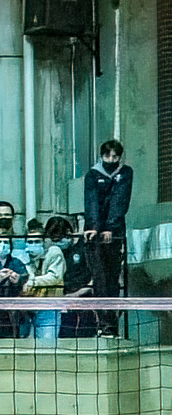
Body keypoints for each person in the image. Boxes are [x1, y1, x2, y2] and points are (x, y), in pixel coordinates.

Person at [83, 139, 132, 337]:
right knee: (99, 279)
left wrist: (111, 228)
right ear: (101, 156)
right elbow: (91, 201)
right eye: (107, 156)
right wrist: (94, 227)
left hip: (115, 233)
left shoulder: (125, 173)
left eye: (115, 156)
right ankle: (102, 323)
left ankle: (112, 324)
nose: (111, 160)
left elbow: (121, 199)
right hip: (95, 235)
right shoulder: (93, 175)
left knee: (112, 279)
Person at [20, 222, 65, 344]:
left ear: (44, 241)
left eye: (37, 241)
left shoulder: (54, 252)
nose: (33, 244)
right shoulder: (24, 256)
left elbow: (55, 277)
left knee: (47, 347)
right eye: (30, 242)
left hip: (49, 308)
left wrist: (32, 281)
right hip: (28, 310)